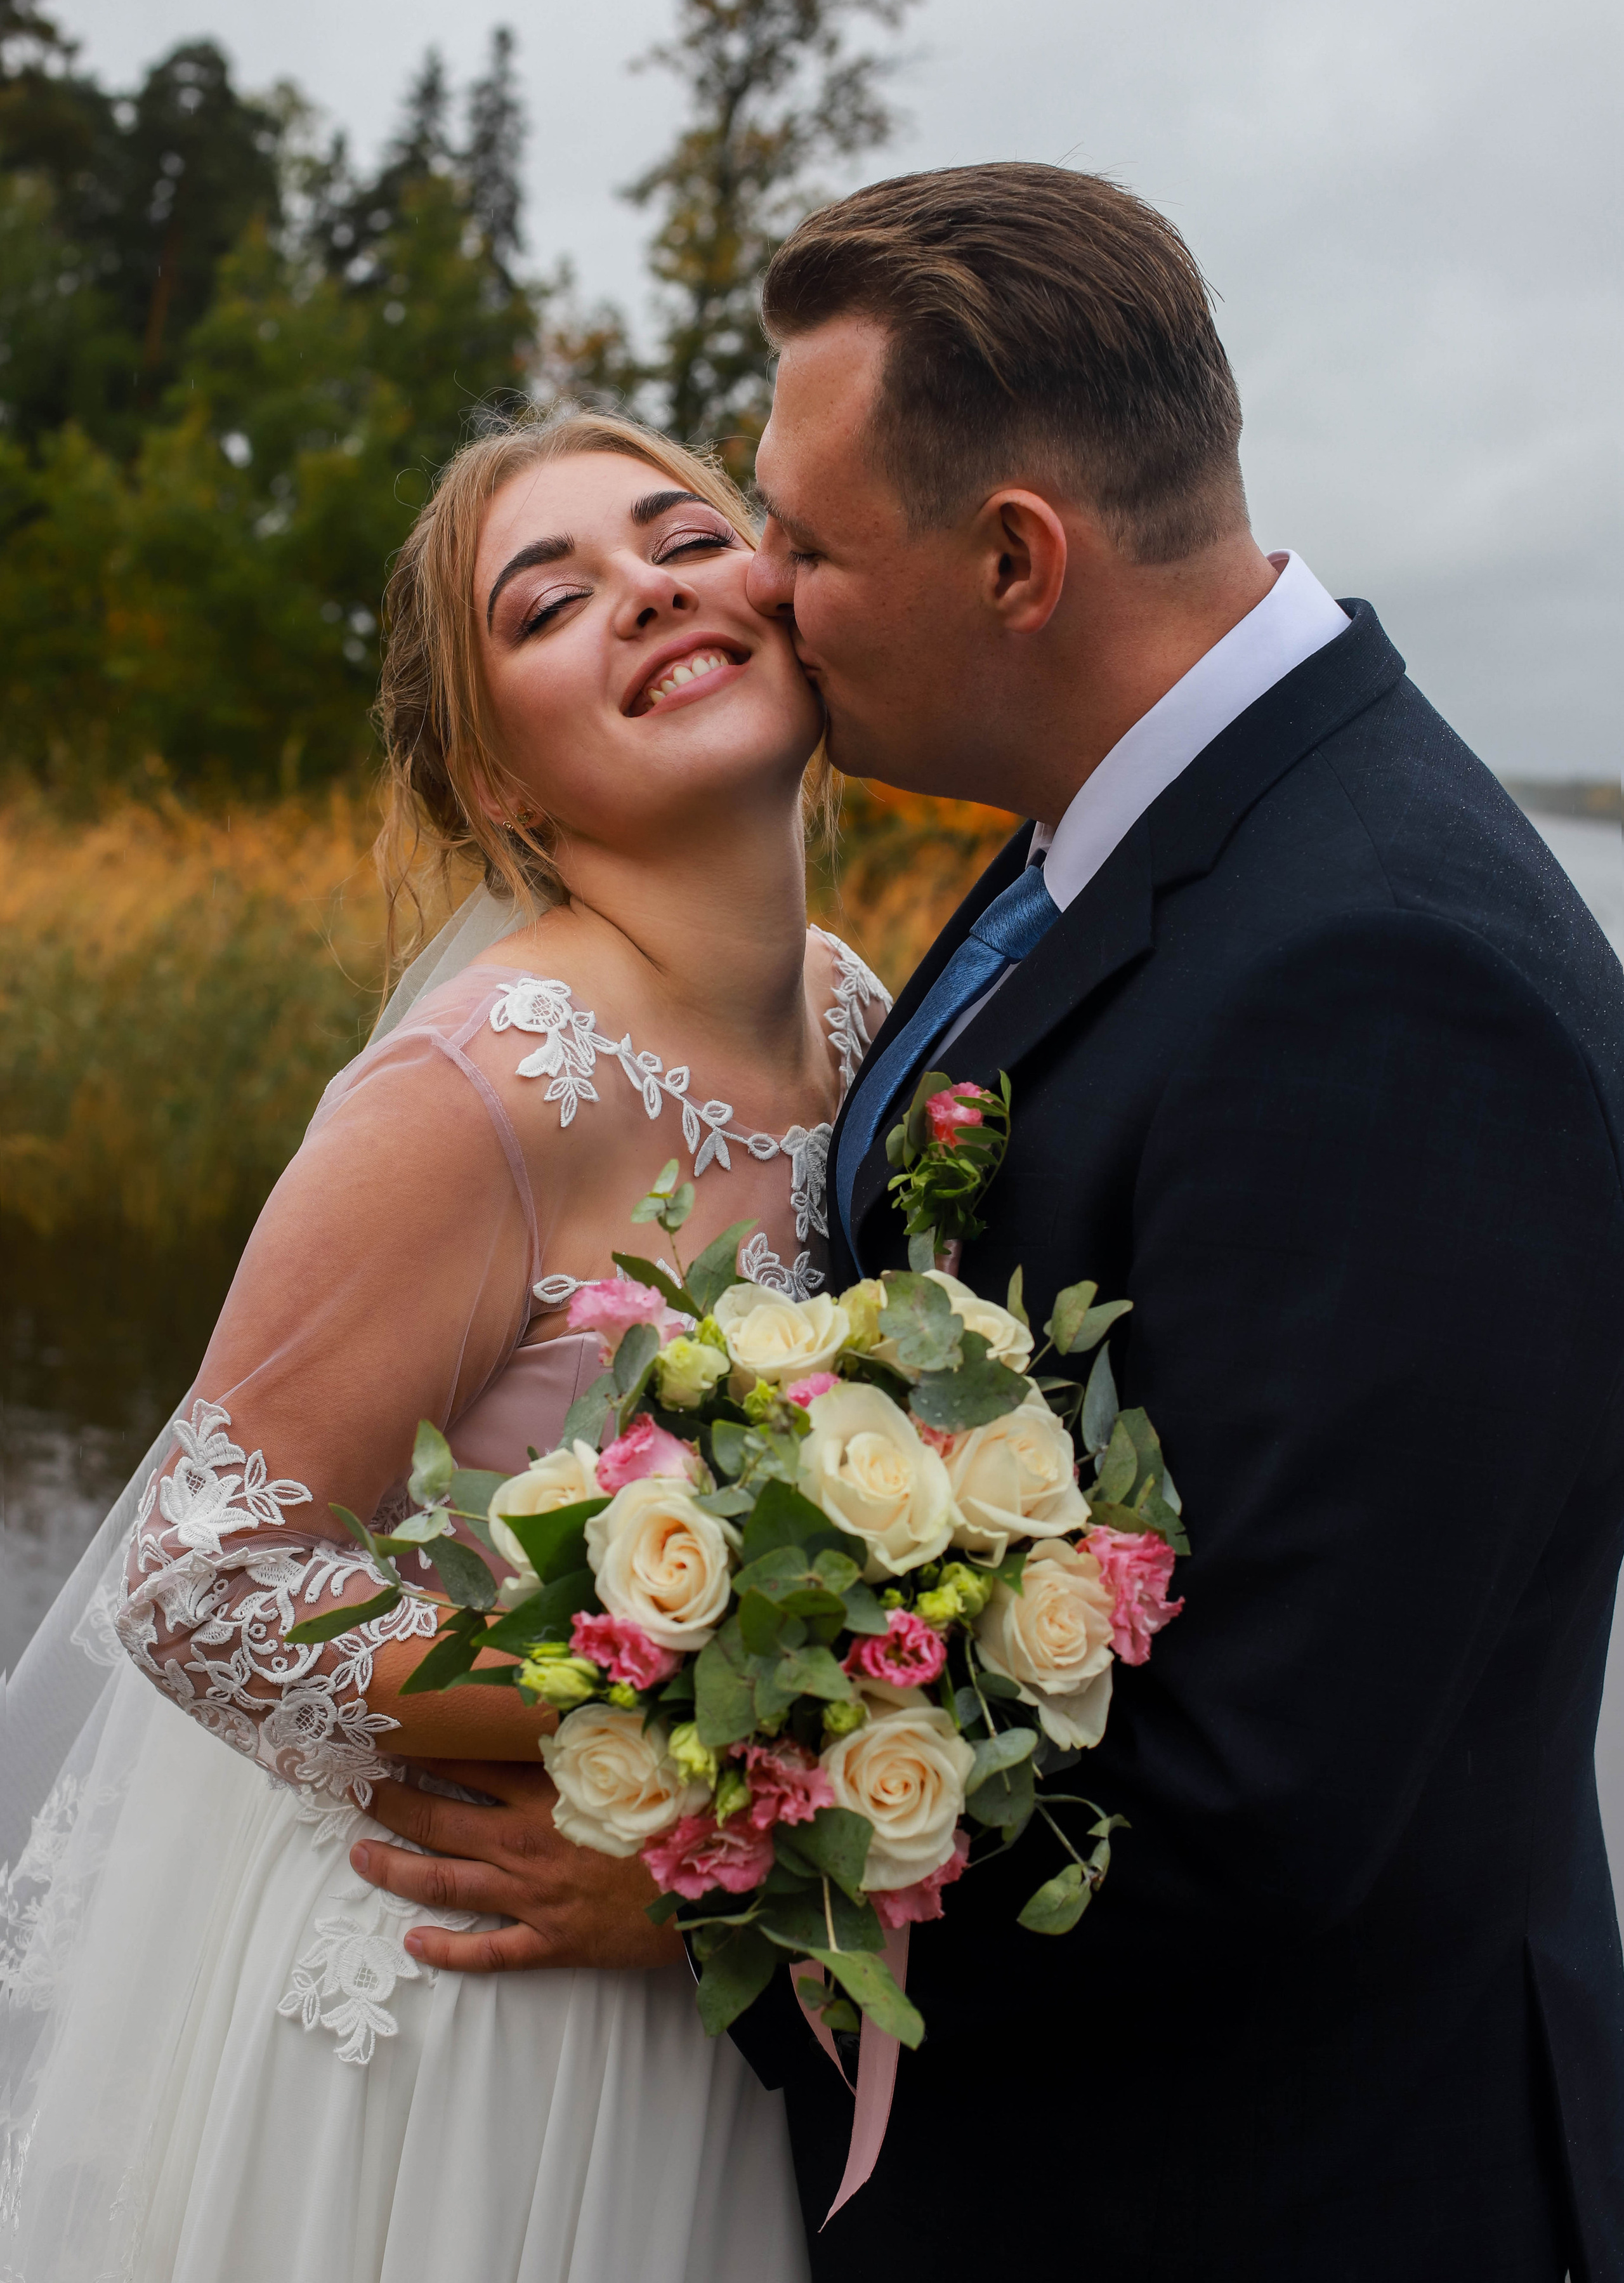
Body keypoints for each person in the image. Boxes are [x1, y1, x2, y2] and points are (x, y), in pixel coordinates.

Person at [350, 165, 1624, 2281]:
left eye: (808, 541)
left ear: (1017, 560)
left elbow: (1273, 1804)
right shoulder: (1124, 822)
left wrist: (709, 1892)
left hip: (1270, 2198)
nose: (763, 587)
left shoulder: (1387, 978)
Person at [0, 408, 889, 2283]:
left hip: (720, 1976)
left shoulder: (857, 1012)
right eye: (549, 602)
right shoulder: (486, 1082)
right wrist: (702, 1708)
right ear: (498, 783)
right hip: (485, 2013)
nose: (646, 590)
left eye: (685, 538)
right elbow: (200, 1583)